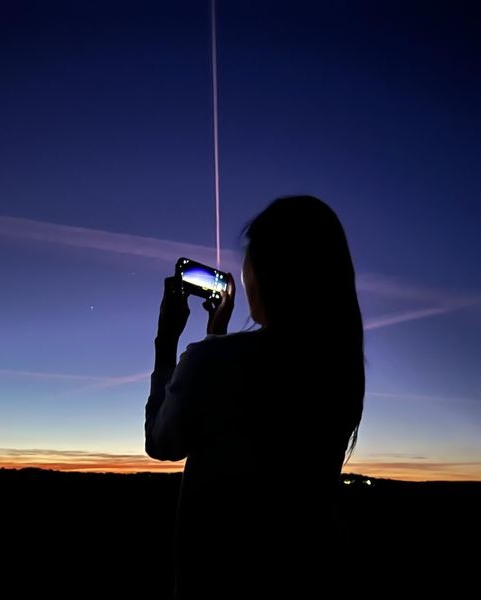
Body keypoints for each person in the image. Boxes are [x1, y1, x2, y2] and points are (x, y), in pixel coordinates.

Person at [144, 195, 365, 599]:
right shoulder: (336, 369)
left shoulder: (213, 362)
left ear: (269, 273)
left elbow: (162, 442)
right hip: (309, 577)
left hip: (219, 586)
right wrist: (216, 337)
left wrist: (167, 341)